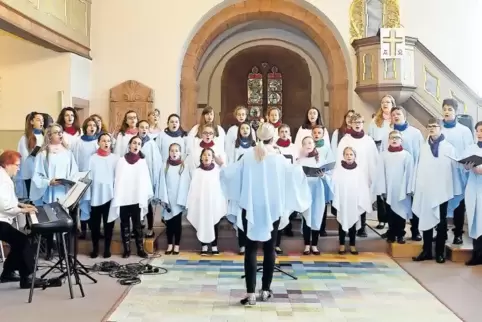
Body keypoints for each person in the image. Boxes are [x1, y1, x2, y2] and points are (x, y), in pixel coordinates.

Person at [220, 123, 310, 306]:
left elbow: (232, 174)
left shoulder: (247, 156)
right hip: (273, 208)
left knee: (250, 249)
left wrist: (222, 166)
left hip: (251, 207)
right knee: (269, 248)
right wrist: (300, 160)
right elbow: (293, 174)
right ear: (274, 137)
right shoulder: (278, 158)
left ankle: (250, 293)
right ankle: (266, 290)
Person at [412, 118, 458, 264]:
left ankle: (440, 252)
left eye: (434, 126)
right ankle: (426, 251)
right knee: (426, 218)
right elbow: (420, 168)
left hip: (442, 191)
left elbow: (453, 169)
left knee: (442, 222)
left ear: (440, 128)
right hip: (426, 189)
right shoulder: (424, 147)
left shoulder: (448, 147)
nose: (431, 128)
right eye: (429, 126)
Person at [0, 150, 45, 288]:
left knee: (19, 242)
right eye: (17, 165)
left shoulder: (3, 176)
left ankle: (7, 272)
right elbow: (4, 207)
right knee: (23, 241)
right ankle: (27, 278)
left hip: (2, 218)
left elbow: (6, 201)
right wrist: (22, 210)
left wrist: (20, 204)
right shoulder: (3, 180)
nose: (18, 168)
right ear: (8, 164)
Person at [382, 106, 424, 241]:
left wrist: (416, 173)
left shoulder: (415, 133)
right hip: (394, 175)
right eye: (393, 114)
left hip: (411, 172)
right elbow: (384, 152)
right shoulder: (387, 134)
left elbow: (419, 153)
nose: (395, 116)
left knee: (413, 204)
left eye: (398, 114)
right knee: (393, 202)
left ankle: (415, 230)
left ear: (404, 116)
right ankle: (392, 230)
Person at [108, 136, 152, 258]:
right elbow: (118, 179)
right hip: (124, 198)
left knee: (137, 225)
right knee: (124, 224)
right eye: (134, 143)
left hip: (136, 198)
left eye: (139, 143)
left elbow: (145, 181)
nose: (136, 145)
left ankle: (140, 249)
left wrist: (143, 195)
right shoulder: (121, 160)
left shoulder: (142, 162)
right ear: (129, 145)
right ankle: (126, 249)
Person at [336, 113, 378, 237]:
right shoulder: (345, 140)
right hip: (349, 177)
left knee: (363, 200)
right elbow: (340, 158)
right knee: (350, 201)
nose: (358, 125)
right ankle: (349, 226)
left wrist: (373, 176)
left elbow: (374, 159)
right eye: (356, 123)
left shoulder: (368, 140)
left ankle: (362, 227)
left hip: (364, 176)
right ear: (351, 124)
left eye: (360, 122)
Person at [440, 98, 474, 245]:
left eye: (450, 109)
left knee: (459, 204)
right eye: (445, 109)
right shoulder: (438, 128)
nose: (447, 112)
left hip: (459, 172)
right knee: (441, 203)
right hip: (441, 173)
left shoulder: (464, 131)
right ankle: (441, 232)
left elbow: (469, 150)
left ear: (456, 112)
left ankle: (458, 234)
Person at [374, 130, 415, 244]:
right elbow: (380, 173)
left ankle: (400, 234)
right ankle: (391, 233)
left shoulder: (407, 155)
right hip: (388, 189)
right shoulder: (383, 155)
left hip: (401, 189)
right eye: (392, 137)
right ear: (388, 140)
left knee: (401, 213)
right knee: (390, 212)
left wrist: (408, 189)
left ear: (401, 140)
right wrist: (382, 189)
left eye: (397, 137)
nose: (394, 139)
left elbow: (409, 173)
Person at [332, 147, 372, 255]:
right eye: (346, 154)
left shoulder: (359, 171)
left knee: (353, 222)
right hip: (342, 201)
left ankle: (353, 245)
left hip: (354, 201)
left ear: (355, 156)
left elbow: (363, 187)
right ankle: (341, 245)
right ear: (343, 156)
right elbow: (334, 185)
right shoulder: (338, 170)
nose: (349, 156)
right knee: (342, 222)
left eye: (351, 154)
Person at [85, 133, 119, 258]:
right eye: (103, 140)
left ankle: (107, 249)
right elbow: (88, 177)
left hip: (110, 196)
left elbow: (118, 178)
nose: (106, 143)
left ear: (111, 143)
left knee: (108, 224)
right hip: (95, 196)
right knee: (95, 225)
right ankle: (95, 249)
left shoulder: (116, 158)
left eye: (108, 141)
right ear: (98, 143)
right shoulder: (92, 158)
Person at [155, 143, 191, 255]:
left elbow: (185, 184)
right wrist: (164, 199)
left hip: (178, 200)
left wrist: (181, 200)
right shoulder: (165, 166)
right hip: (168, 200)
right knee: (169, 224)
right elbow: (162, 183)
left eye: (176, 150)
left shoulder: (183, 167)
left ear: (180, 153)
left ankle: (177, 245)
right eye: (172, 150)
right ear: (169, 152)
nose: (174, 153)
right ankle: (170, 244)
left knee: (177, 224)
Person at [368, 95, 395, 230]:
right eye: (383, 102)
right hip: (379, 158)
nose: (385, 104)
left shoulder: (395, 120)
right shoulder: (375, 121)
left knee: (391, 190)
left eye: (388, 102)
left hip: (393, 159)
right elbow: (369, 139)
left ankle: (392, 220)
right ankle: (382, 219)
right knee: (380, 190)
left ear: (392, 104)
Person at [462, 121, 482, 266]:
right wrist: (468, 167)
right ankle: (476, 255)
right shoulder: (470, 148)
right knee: (475, 220)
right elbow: (464, 166)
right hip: (473, 187)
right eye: (478, 131)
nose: (480, 133)